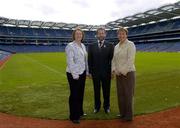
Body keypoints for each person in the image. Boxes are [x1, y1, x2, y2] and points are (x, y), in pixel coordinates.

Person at [112, 26, 136, 121]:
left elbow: (131, 59)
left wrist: (123, 71)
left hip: (128, 73)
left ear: (126, 35)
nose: (121, 35)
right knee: (120, 95)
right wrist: (115, 70)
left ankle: (128, 116)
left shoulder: (130, 44)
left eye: (123, 33)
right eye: (119, 34)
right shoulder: (116, 46)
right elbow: (113, 60)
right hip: (118, 74)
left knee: (128, 95)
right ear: (118, 35)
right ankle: (122, 113)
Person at [88, 27, 114, 114]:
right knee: (96, 91)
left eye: (102, 33)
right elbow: (90, 60)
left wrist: (112, 72)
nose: (101, 35)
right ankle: (97, 107)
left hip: (106, 73)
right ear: (97, 35)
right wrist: (90, 72)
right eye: (99, 33)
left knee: (107, 91)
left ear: (105, 34)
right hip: (95, 74)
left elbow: (112, 60)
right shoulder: (91, 46)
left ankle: (107, 107)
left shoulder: (110, 45)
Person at [65, 28, 88, 124]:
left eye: (80, 34)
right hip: (73, 74)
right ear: (74, 35)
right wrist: (75, 74)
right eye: (77, 34)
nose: (79, 35)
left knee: (80, 93)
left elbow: (85, 60)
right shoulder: (70, 46)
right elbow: (70, 61)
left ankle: (80, 111)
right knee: (74, 94)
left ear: (82, 36)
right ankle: (74, 116)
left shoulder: (82, 45)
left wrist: (86, 72)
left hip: (82, 72)